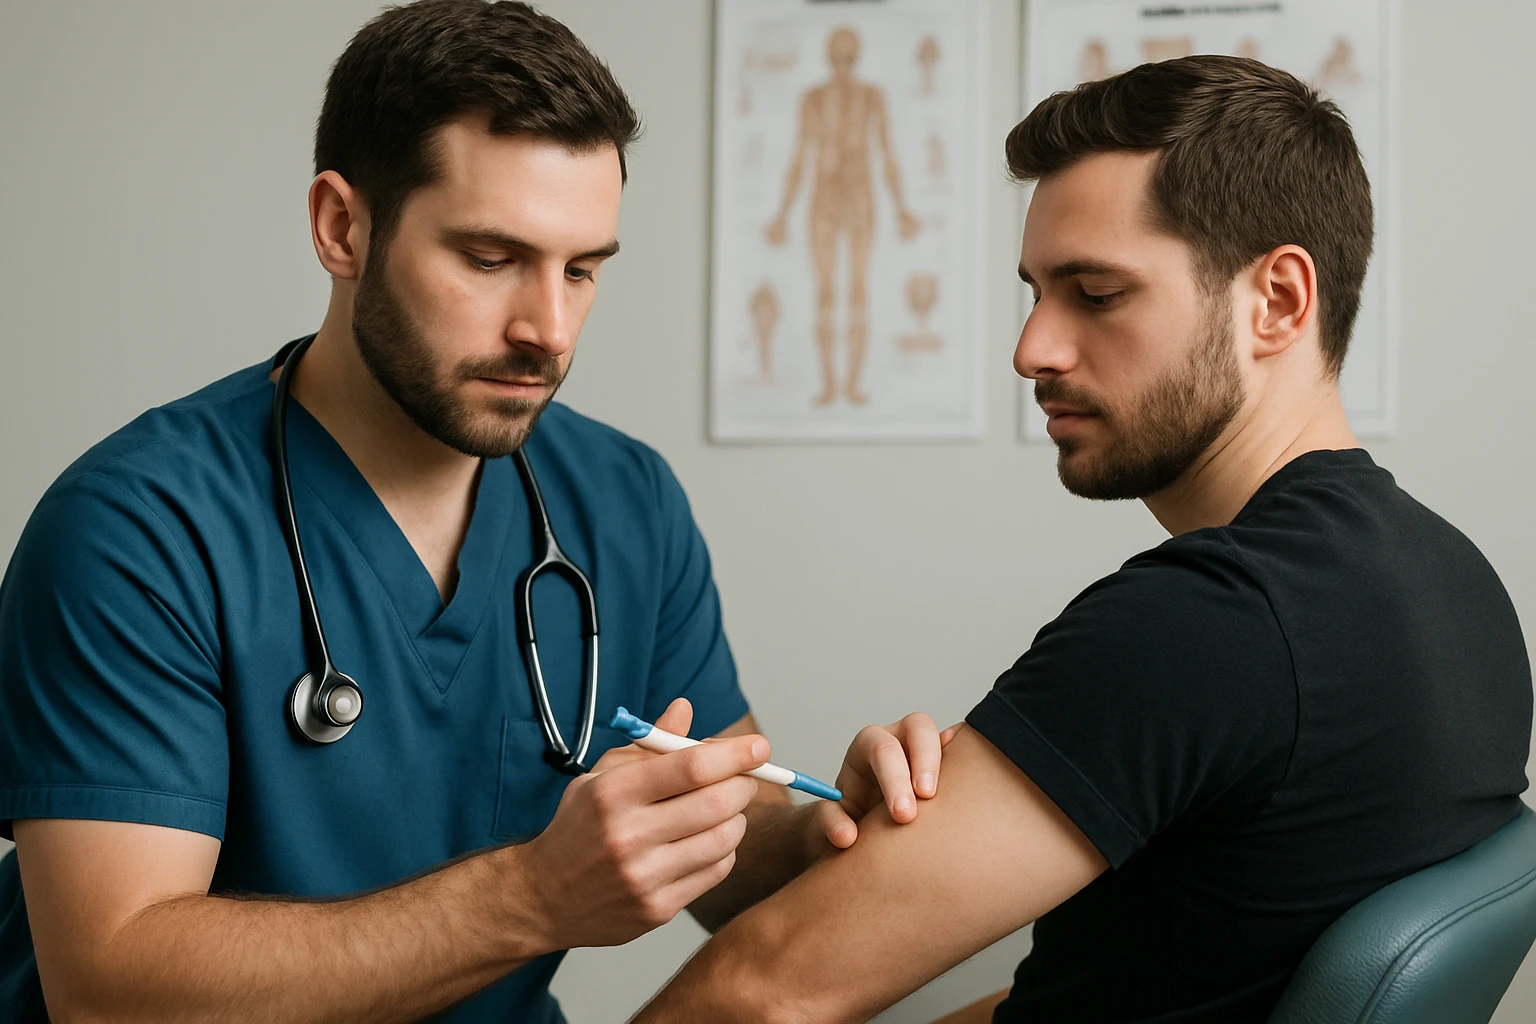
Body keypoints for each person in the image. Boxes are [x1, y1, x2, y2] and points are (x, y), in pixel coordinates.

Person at [0, 3, 950, 1022]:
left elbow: (714, 824)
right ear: (342, 227)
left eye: (582, 269)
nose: (550, 328)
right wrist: (533, 897)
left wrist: (825, 832)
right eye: (491, 259)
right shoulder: (136, 531)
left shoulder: (623, 501)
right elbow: (109, 988)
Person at [632, 55, 1533, 1024]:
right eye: (1035, 293)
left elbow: (760, 992)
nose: (1032, 350)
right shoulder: (1453, 580)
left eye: (1096, 293)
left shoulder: (1204, 623)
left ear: (1277, 300)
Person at [764, 25, 923, 407]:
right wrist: (782, 212)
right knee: (826, 292)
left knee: (857, 290)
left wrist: (902, 207)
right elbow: (801, 155)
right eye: (838, 58)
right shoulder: (813, 99)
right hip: (824, 197)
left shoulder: (871, 97)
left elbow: (885, 152)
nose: (842, 66)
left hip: (860, 198)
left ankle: (850, 385)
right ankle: (830, 384)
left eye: (847, 58)